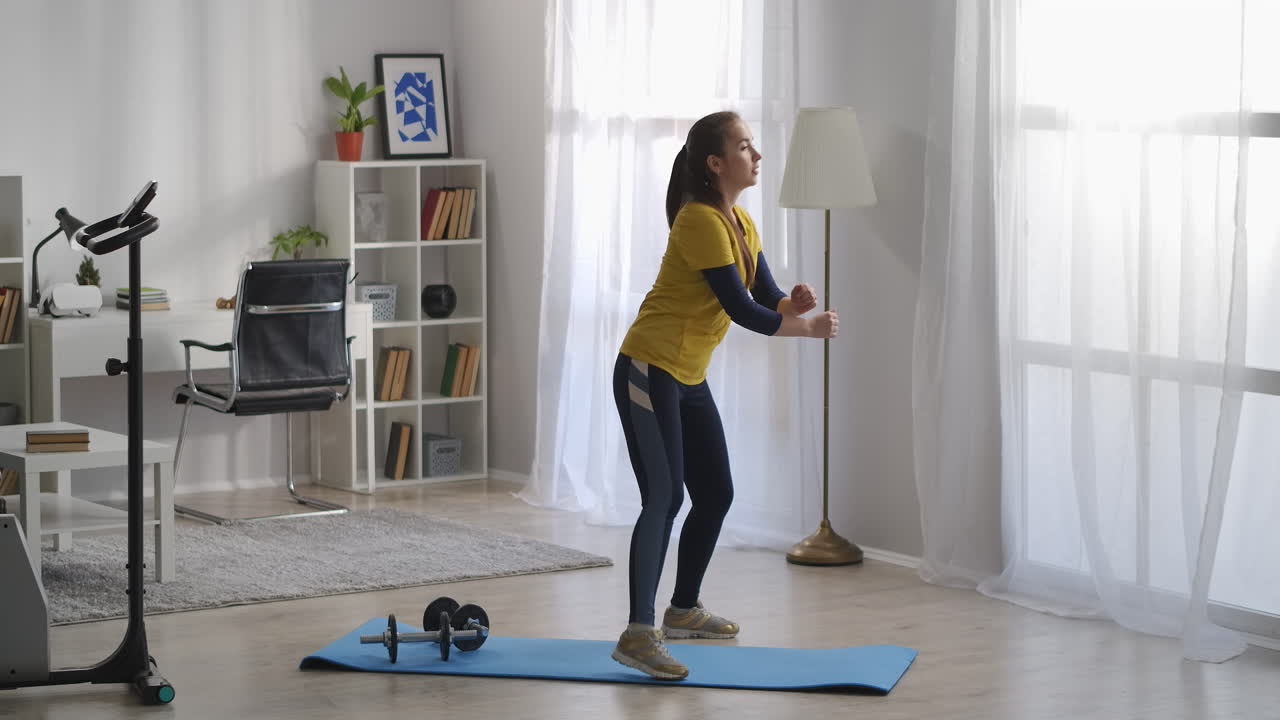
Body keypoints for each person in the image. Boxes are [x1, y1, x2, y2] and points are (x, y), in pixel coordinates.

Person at [610, 111, 838, 680]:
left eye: (753, 146)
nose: (756, 155)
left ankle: (683, 609)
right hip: (649, 367)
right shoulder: (698, 221)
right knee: (663, 498)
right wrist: (804, 331)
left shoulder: (739, 222)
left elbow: (766, 295)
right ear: (715, 163)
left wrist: (795, 304)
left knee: (714, 493)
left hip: (687, 375)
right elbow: (742, 312)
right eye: (744, 146)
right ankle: (639, 634)